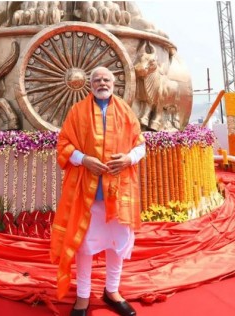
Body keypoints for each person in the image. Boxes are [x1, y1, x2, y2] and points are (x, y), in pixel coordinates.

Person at [50, 66, 146, 316]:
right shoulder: (77, 111)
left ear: (113, 84)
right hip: (87, 192)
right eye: (97, 80)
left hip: (119, 191)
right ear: (89, 84)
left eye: (106, 79)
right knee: (84, 246)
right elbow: (64, 144)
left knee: (117, 244)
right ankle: (82, 296)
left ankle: (112, 290)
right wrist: (84, 160)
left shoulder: (126, 111)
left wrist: (128, 159)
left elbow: (141, 145)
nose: (101, 83)